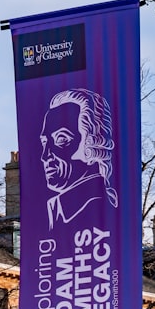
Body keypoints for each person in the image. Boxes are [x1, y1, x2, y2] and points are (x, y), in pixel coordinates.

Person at [40, 88, 118, 229]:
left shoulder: (97, 213)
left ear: (93, 144)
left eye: (61, 139)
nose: (45, 156)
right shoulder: (55, 210)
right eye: (44, 142)